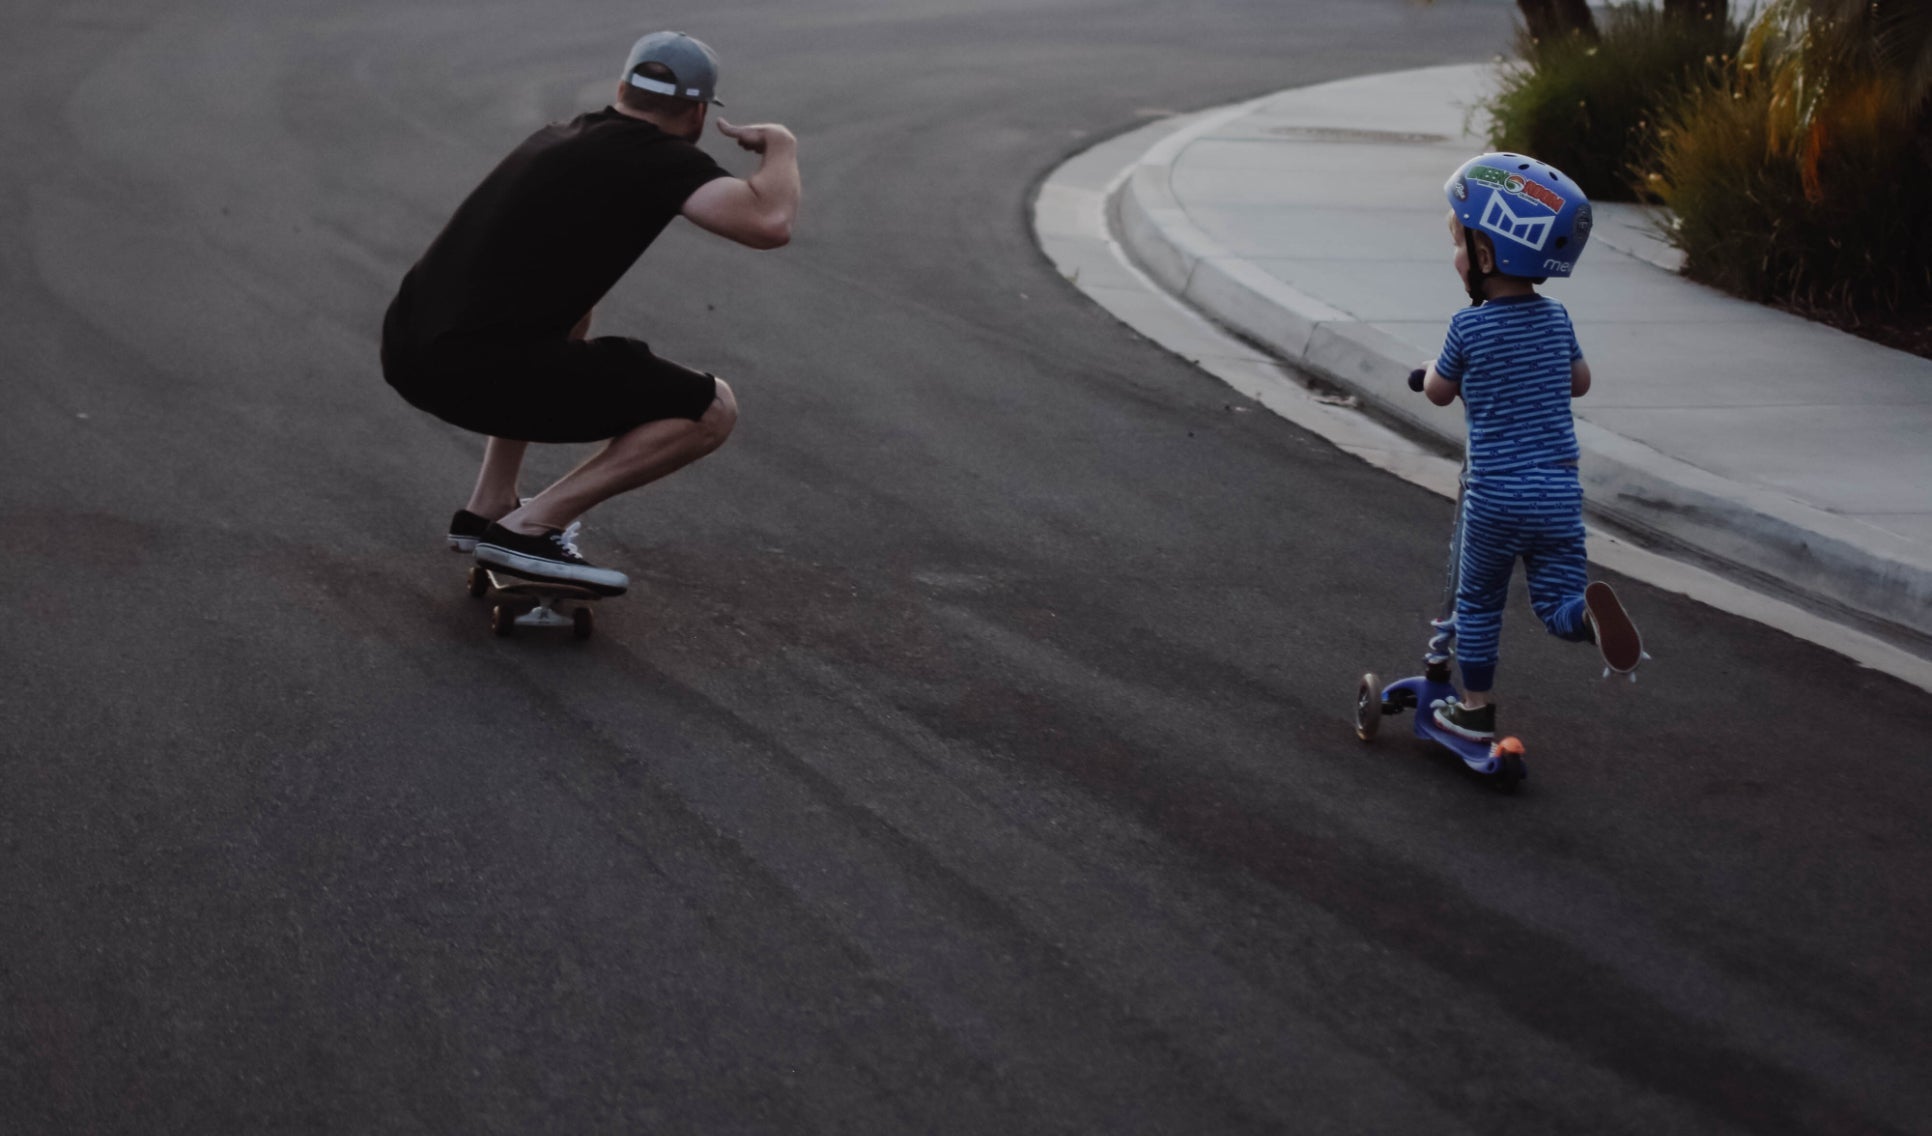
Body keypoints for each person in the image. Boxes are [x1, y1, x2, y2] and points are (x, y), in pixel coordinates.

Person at [380, 30, 801, 594]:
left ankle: (489, 506)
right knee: (710, 409)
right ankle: (527, 530)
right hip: (471, 369)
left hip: (408, 349)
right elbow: (769, 223)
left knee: (573, 313)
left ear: (624, 86)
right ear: (699, 111)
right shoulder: (657, 158)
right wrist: (783, 146)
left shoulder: (562, 134)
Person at [1417, 152, 1643, 741]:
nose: (1457, 257)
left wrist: (1427, 374)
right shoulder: (1557, 319)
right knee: (1555, 601)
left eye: (1461, 244)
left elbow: (1440, 392)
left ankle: (1475, 709)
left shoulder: (1467, 328)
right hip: (1558, 495)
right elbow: (1580, 382)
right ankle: (1588, 620)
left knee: (1481, 605)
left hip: (1496, 499)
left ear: (1486, 257)